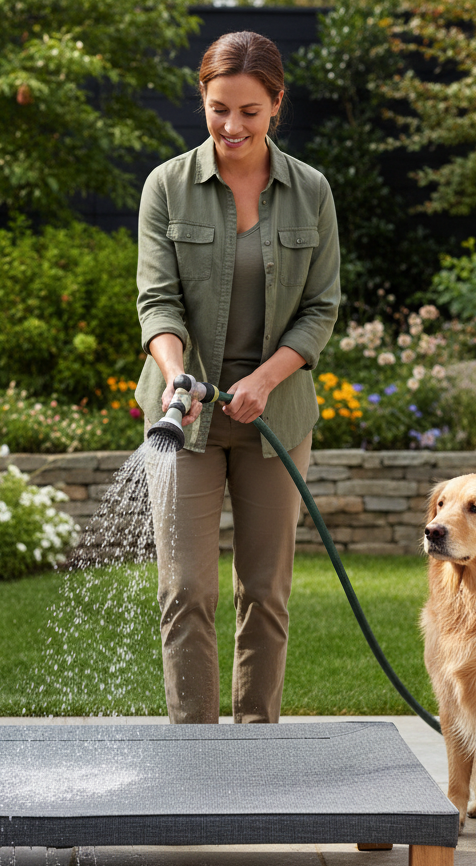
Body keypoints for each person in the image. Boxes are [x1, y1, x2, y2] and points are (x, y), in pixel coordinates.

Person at [134, 31, 341, 724]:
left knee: (265, 591)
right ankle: (195, 751)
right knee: (186, 589)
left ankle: (257, 747)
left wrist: (266, 380)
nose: (232, 126)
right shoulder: (167, 186)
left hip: (275, 417)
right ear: (202, 98)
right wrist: (176, 377)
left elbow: (321, 308)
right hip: (184, 419)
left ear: (276, 104)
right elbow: (157, 301)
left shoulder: (310, 191)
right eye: (219, 108)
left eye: (249, 111)